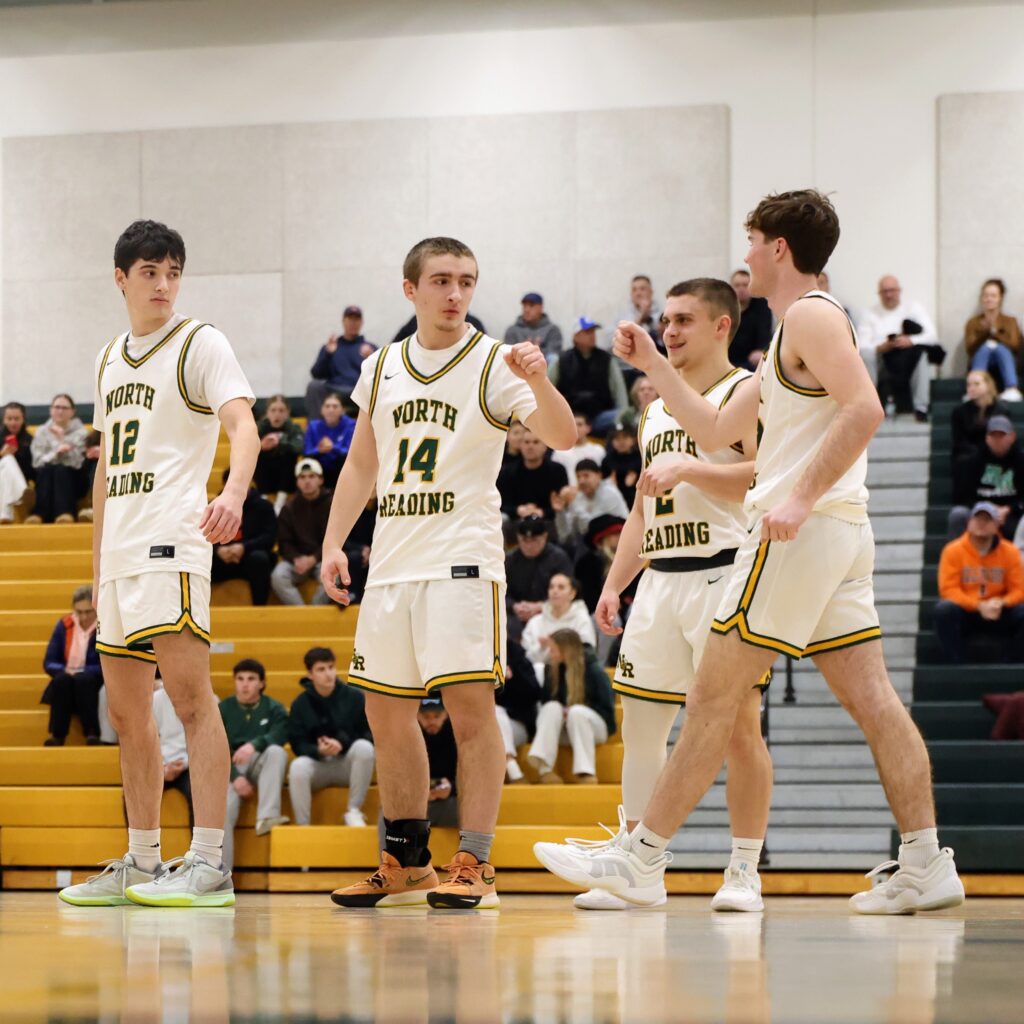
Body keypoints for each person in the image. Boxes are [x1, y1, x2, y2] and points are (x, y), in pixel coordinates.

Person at [534, 189, 964, 916]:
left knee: (710, 698)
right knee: (875, 701)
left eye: (754, 242)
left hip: (800, 530)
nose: (747, 256)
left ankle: (642, 858)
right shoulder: (791, 333)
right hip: (839, 533)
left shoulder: (812, 314)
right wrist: (654, 363)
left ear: (779, 249)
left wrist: (797, 497)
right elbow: (712, 428)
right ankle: (926, 861)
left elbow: (866, 407)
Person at [320, 235, 575, 910]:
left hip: (462, 563)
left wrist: (539, 379)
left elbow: (564, 435)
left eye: (466, 280)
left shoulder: (495, 360)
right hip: (392, 564)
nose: (455, 293)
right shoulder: (380, 367)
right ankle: (407, 862)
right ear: (411, 289)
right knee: (385, 713)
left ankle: (476, 861)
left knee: (470, 712)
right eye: (440, 280)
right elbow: (362, 464)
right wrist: (333, 542)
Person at [545, 277, 772, 913]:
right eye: (665, 320)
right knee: (641, 727)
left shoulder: (745, 391)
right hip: (660, 580)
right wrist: (615, 583)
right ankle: (637, 868)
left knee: (739, 731)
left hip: (724, 574)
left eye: (683, 320)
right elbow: (644, 510)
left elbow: (764, 477)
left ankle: (744, 869)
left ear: (722, 326)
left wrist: (691, 468)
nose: (668, 331)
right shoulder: (651, 411)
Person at [58, 219, 258, 910]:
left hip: (173, 542)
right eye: (150, 272)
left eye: (173, 271)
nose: (164, 284)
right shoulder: (108, 358)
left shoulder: (201, 342)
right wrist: (97, 562)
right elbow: (105, 470)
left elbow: (243, 424)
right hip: (120, 555)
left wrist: (233, 492)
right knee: (126, 712)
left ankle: (207, 861)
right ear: (121, 279)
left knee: (192, 701)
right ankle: (142, 860)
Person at [287, 647, 375, 828]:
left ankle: (353, 811)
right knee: (297, 767)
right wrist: (317, 750)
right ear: (310, 674)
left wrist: (341, 743)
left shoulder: (355, 697)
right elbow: (297, 742)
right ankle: (303, 826)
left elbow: (369, 734)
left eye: (331, 667)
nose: (328, 674)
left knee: (365, 748)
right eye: (321, 669)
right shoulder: (300, 704)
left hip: (348, 766)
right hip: (318, 766)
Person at [219, 658, 290, 870]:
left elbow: (281, 734)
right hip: (231, 767)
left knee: (277, 752)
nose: (245, 684)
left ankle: (266, 816)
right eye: (240, 679)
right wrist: (235, 777)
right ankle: (222, 874)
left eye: (251, 679)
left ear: (261, 683)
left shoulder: (274, 707)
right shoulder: (223, 708)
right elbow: (216, 748)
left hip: (261, 763)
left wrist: (254, 745)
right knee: (223, 813)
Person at [935, 502, 1024, 664]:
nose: (982, 524)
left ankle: (1011, 665)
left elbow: (1019, 590)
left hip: (998, 610)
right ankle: (955, 665)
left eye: (987, 520)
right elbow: (948, 590)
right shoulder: (952, 550)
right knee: (944, 610)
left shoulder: (1010, 551)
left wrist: (1002, 602)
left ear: (996, 526)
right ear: (969, 523)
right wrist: (978, 605)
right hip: (967, 611)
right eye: (978, 519)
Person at [526, 630, 616, 784]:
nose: (550, 654)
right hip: (564, 730)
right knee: (551, 707)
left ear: (565, 650)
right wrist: (563, 712)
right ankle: (544, 769)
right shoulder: (551, 670)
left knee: (576, 712)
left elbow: (607, 710)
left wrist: (574, 710)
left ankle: (586, 772)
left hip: (593, 729)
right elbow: (546, 703)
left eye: (553, 650)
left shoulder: (595, 671)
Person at [377, 697, 461, 851]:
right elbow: (396, 779)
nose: (432, 721)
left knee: (471, 808)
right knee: (387, 811)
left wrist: (452, 789)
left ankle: (473, 859)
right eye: (426, 717)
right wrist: (417, 793)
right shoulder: (405, 736)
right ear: (417, 715)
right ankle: (390, 860)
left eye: (436, 716)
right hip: (415, 804)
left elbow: (472, 780)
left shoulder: (459, 735)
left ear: (446, 714)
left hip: (450, 803)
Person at [858, 275, 941, 420]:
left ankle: (921, 407)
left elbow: (932, 336)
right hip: (882, 359)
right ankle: (870, 404)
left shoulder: (913, 308)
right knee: (866, 354)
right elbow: (862, 344)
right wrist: (881, 347)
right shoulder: (869, 314)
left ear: (899, 291)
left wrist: (910, 340)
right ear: (879, 294)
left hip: (907, 357)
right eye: (884, 291)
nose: (889, 295)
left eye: (892, 290)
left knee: (922, 355)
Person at [41, 584, 102, 746]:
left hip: (93, 678)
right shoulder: (64, 625)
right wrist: (65, 670)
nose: (83, 617)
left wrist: (82, 671)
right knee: (61, 680)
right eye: (79, 612)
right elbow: (49, 662)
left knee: (83, 679)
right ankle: (57, 735)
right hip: (68, 676)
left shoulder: (104, 625)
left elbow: (106, 665)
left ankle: (92, 732)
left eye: (88, 612)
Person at [549, 318, 629, 436]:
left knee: (622, 416)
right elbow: (547, 388)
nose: (592, 335)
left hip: (599, 416)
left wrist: (624, 415)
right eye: (587, 332)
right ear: (576, 336)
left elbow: (619, 392)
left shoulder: (607, 360)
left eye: (593, 332)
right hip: (568, 417)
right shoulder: (560, 360)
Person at [949, 415, 1024, 540]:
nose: (997, 440)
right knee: (958, 514)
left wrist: (1009, 509)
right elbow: (963, 496)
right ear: (987, 438)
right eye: (993, 435)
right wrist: (986, 510)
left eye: (1002, 435)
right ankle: (958, 552)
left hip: (1012, 513)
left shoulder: (1021, 461)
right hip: (979, 511)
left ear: (1012, 437)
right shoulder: (973, 462)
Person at [270, 458, 332, 606]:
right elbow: (284, 542)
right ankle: (302, 612)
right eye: (302, 477)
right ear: (297, 482)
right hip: (297, 561)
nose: (307, 481)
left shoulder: (333, 504)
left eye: (311, 476)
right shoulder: (289, 508)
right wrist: (296, 558)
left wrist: (314, 558)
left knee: (335, 578)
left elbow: (336, 539)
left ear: (321, 480)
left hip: (324, 559)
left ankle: (313, 614)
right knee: (278, 576)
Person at [210, 474, 276, 606]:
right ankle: (200, 611)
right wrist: (218, 550)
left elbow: (269, 537)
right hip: (222, 558)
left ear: (249, 483)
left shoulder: (264, 506)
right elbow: (201, 536)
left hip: (249, 557)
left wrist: (244, 547)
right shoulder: (213, 507)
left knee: (259, 559)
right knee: (201, 559)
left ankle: (260, 610)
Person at [505, 514, 574, 640]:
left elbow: (569, 591)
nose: (529, 545)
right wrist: (514, 606)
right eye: (524, 540)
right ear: (518, 538)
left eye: (534, 540)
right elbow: (501, 592)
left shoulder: (559, 559)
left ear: (545, 536)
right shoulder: (509, 560)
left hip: (550, 612)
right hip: (516, 615)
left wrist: (542, 606)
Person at [26, 395, 87, 524]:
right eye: (57, 407)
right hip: (46, 477)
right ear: (51, 410)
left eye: (64, 408)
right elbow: (37, 462)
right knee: (47, 470)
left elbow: (78, 463)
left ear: (72, 412)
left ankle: (65, 512)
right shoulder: (42, 431)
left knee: (61, 470)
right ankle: (39, 514)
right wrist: (56, 452)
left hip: (73, 478)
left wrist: (61, 439)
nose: (60, 411)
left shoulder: (81, 433)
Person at [306, 306, 376, 417]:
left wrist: (372, 359)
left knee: (375, 389)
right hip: (334, 389)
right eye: (350, 319)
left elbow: (381, 376)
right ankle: (316, 426)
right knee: (314, 386)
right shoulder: (331, 346)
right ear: (343, 321)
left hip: (358, 391)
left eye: (356, 319)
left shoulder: (370, 348)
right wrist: (327, 354)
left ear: (361, 322)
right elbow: (316, 374)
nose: (353, 323)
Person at [521, 573, 597, 672]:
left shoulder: (582, 619)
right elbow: (525, 658)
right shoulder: (535, 622)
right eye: (551, 587)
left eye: (561, 587)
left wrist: (557, 646)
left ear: (572, 593)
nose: (555, 591)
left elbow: (587, 652)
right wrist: (541, 647)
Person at [963, 279, 1023, 401]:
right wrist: (985, 334)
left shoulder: (1010, 321)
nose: (989, 299)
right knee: (986, 348)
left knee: (999, 348)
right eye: (986, 296)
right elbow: (969, 348)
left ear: (1000, 298)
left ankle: (1011, 388)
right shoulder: (973, 322)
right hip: (981, 358)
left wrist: (995, 334)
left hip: (1006, 359)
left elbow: (1016, 345)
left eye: (993, 296)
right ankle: (975, 387)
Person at [552, 458, 630, 548]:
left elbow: (594, 529)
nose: (581, 481)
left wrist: (573, 504)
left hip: (619, 543)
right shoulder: (577, 497)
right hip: (591, 547)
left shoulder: (610, 493)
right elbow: (566, 538)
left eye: (586, 476)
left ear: (599, 475)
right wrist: (560, 513)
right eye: (578, 477)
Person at [495, 638, 542, 784]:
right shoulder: (474, 659)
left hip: (516, 724)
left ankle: (511, 766)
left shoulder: (517, 656)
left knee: (495, 712)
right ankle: (511, 768)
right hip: (483, 729)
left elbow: (533, 693)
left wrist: (513, 677)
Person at [497, 429, 569, 524]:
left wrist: (543, 512)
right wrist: (518, 510)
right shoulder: (507, 472)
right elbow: (501, 503)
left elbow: (560, 502)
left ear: (545, 447)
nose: (530, 446)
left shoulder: (558, 470)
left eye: (536, 442)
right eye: (526, 442)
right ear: (521, 445)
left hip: (548, 519)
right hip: (516, 520)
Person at [151, 676, 193, 824]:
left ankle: (199, 840)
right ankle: (139, 840)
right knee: (135, 793)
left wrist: (185, 764)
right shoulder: (155, 699)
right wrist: (162, 767)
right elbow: (146, 741)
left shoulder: (209, 700)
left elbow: (209, 745)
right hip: (161, 764)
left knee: (200, 795)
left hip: (192, 765)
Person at [951, 370, 1011, 464]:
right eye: (969, 385)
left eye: (976, 384)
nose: (971, 388)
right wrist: (978, 455)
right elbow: (960, 441)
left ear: (987, 385)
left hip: (993, 455)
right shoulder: (959, 411)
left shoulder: (1001, 410)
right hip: (967, 456)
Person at [255, 395, 305, 504]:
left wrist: (280, 442)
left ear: (287, 413)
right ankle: (263, 498)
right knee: (256, 457)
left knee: (290, 456)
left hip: (286, 478)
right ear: (267, 412)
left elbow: (299, 447)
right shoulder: (258, 428)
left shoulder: (294, 428)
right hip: (265, 475)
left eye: (281, 410)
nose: (277, 414)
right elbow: (246, 449)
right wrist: (261, 446)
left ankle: (280, 501)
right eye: (273, 410)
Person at [303, 393, 354, 490]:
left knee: (345, 461)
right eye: (327, 406)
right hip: (320, 466)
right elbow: (307, 452)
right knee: (309, 463)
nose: (331, 410)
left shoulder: (350, 425)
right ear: (322, 410)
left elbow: (351, 451)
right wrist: (319, 450)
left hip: (341, 466)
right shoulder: (313, 426)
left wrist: (333, 447)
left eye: (335, 406)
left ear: (342, 410)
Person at [727, 268, 773, 370]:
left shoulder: (762, 305)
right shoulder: (724, 307)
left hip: (752, 361)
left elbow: (764, 332)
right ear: (731, 288)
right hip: (729, 359)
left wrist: (761, 350)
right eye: (737, 285)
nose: (741, 289)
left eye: (745, 285)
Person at [504, 292, 564, 361]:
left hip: (543, 365)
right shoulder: (512, 330)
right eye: (524, 306)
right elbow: (509, 355)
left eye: (531, 305)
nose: (527, 310)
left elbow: (553, 355)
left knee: (553, 358)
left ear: (541, 307)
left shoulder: (552, 330)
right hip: (517, 365)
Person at [1, 401, 33, 523]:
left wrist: (18, 455)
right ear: (4, 420)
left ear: (23, 420)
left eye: (16, 419)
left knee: (8, 464)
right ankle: (22, 494)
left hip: (16, 479)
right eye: (9, 419)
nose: (13, 422)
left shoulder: (30, 440)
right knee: (7, 460)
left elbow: (32, 472)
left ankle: (5, 514)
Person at [550, 411, 606, 478]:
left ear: (588, 428)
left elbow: (603, 475)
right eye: (572, 425)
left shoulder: (598, 450)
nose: (576, 428)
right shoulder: (559, 452)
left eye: (579, 424)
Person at [602, 422, 642, 507]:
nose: (621, 442)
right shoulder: (608, 460)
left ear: (633, 439)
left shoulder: (641, 457)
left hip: (638, 499)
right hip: (614, 501)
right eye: (617, 438)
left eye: (625, 437)